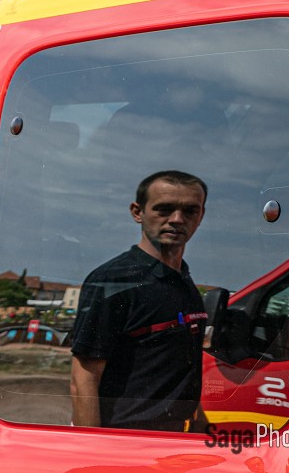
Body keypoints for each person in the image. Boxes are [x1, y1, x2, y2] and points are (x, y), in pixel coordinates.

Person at [70, 170, 211, 431]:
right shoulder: (113, 281)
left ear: (201, 216)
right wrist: (90, 451)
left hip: (176, 439)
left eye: (190, 211)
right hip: (129, 439)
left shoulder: (184, 281)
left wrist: (201, 423)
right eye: (164, 209)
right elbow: (84, 376)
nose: (177, 219)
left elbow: (179, 366)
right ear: (138, 212)